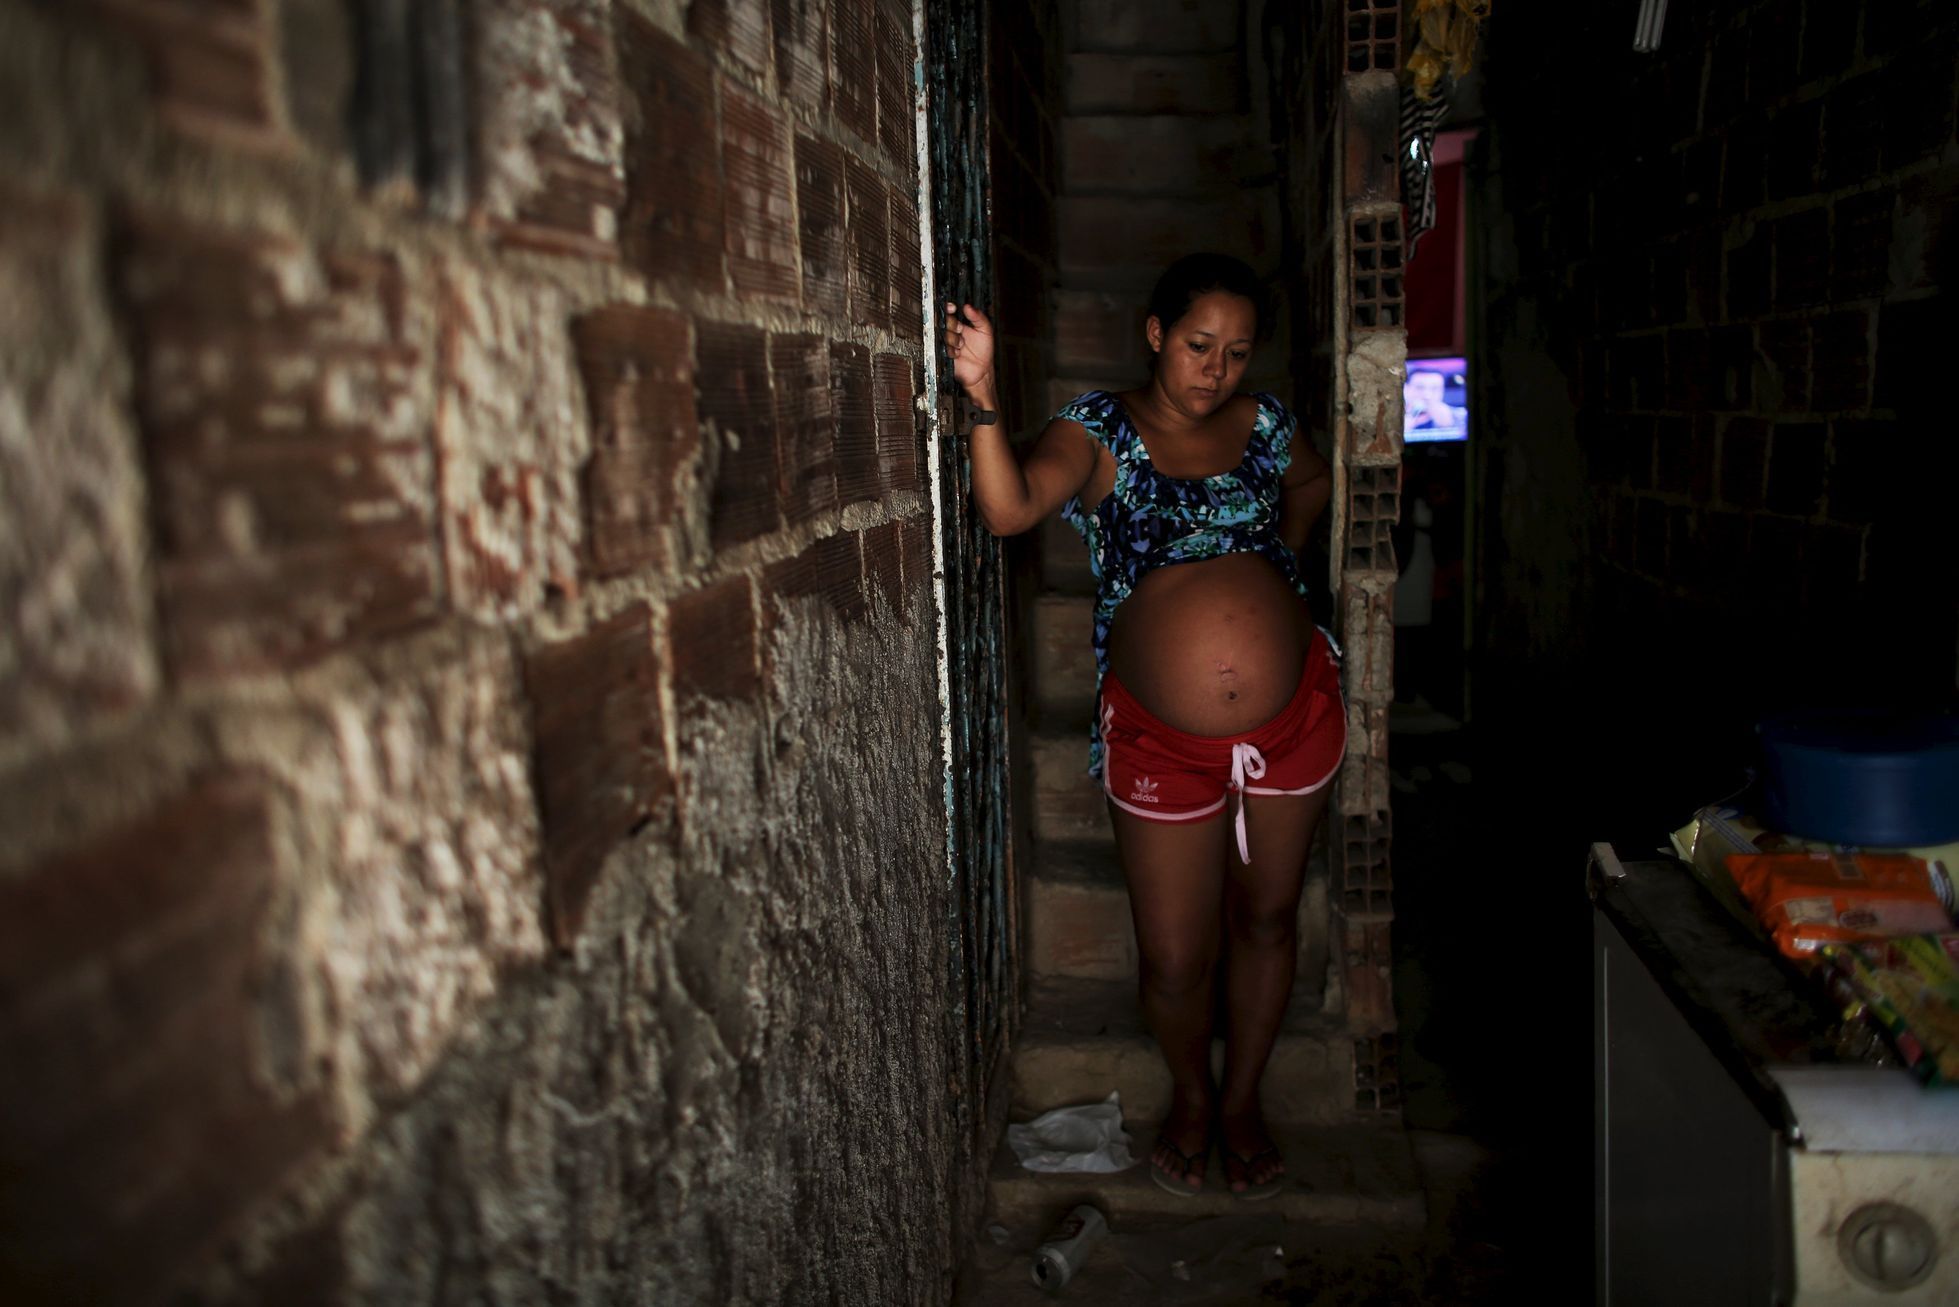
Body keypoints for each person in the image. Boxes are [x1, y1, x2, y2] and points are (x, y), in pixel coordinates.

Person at [943, 254, 1341, 1199]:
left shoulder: (1267, 423)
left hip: (1293, 722)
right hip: (1160, 738)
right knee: (1172, 954)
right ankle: (1191, 1096)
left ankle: (1241, 1100)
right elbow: (1007, 509)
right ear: (1156, 333)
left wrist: (1275, 577)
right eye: (1199, 345)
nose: (1217, 370)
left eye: (1238, 353)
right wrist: (984, 394)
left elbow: (1313, 485)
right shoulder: (1098, 430)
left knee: (1270, 917)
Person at [1402, 367, 1463, 434]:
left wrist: (1451, 425)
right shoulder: (1391, 419)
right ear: (1406, 388)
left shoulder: (1461, 416)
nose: (1427, 395)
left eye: (1435, 388)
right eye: (1420, 387)